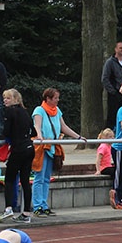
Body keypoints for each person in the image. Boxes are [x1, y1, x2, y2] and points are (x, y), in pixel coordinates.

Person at [32, 87, 84, 217]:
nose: (57, 100)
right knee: (39, 177)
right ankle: (37, 206)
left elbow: (63, 127)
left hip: (53, 147)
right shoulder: (39, 110)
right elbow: (37, 125)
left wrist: (78, 137)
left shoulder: (57, 111)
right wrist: (40, 136)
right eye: (55, 98)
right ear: (48, 99)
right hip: (43, 147)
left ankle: (44, 205)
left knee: (46, 178)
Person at [0, 88, 36, 224]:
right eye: (4, 98)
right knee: (25, 180)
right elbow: (33, 131)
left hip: (18, 149)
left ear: (16, 99)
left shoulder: (9, 111)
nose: (5, 101)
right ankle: (26, 213)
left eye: (8, 98)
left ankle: (8, 208)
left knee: (9, 179)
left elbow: (6, 131)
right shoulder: (25, 112)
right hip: (29, 148)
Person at [102, 42, 122, 130]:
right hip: (115, 94)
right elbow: (105, 78)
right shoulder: (110, 62)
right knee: (112, 116)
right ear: (116, 49)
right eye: (120, 48)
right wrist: (113, 92)